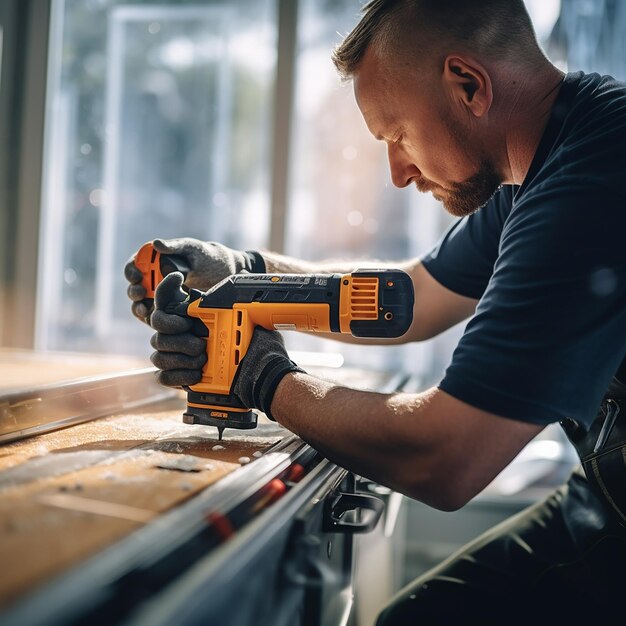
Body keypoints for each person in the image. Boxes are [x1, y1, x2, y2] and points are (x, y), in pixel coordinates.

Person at [125, 0, 626, 623]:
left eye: (398, 135)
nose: (396, 173)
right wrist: (243, 273)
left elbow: (447, 456)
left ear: (467, 84)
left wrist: (260, 379)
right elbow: (408, 299)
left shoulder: (589, 186)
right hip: (602, 499)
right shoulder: (549, 154)